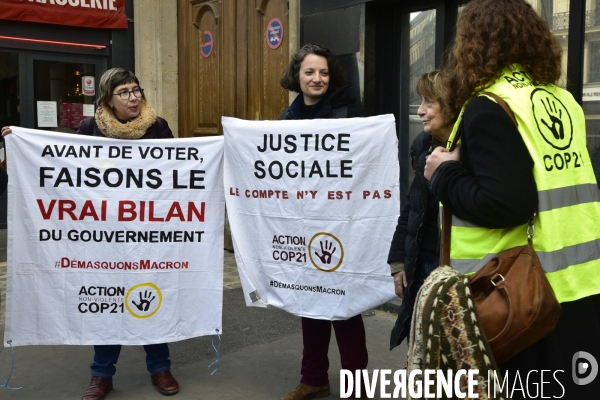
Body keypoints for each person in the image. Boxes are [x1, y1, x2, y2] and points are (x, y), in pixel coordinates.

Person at [424, 0, 600, 398]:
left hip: (516, 294)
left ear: (474, 44)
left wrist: (443, 173)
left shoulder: (489, 106)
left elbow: (505, 204)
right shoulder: (562, 100)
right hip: (577, 282)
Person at [2, 68, 179, 400]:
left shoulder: (158, 127)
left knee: (151, 293)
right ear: (107, 100)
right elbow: (67, 166)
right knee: (107, 301)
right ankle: (102, 374)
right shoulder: (90, 128)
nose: (133, 97)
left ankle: (160, 367)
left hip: (147, 230)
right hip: (103, 234)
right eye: (124, 92)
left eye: (136, 90)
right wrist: (21, 142)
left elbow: (175, 173)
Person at [278, 43, 367, 400]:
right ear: (297, 77)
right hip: (304, 223)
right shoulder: (287, 119)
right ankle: (314, 377)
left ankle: (356, 386)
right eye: (310, 72)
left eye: (324, 72)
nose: (317, 79)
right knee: (310, 302)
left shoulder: (348, 113)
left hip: (343, 224)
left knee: (346, 306)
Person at [387, 70, 454, 352]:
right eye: (420, 101)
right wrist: (399, 261)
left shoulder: (474, 149)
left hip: (457, 266)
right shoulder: (422, 145)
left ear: (451, 106)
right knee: (422, 349)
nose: (421, 111)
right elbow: (412, 208)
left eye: (429, 102)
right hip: (424, 260)